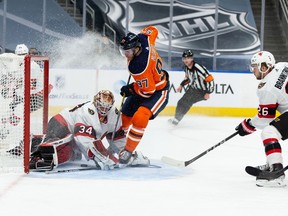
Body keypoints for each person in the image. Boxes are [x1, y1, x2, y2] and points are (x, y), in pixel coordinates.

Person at [29, 90, 150, 171]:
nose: (103, 110)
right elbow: (82, 139)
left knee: (71, 156)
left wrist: (126, 154)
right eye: (101, 106)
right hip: (62, 123)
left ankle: (36, 143)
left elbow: (117, 139)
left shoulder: (115, 115)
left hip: (73, 134)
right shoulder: (87, 111)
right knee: (57, 150)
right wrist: (99, 157)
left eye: (106, 107)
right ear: (95, 103)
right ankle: (34, 151)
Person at [118, 26, 170, 166]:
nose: (125, 55)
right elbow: (153, 30)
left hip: (159, 91)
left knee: (140, 117)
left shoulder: (138, 66)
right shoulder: (145, 38)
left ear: (136, 49)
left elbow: (148, 91)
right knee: (123, 118)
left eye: (128, 52)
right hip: (148, 84)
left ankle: (128, 151)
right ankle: (117, 144)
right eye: (123, 51)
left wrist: (130, 88)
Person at [235, 51, 288, 187]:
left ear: (264, 67)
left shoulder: (266, 88)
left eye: (255, 66)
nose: (253, 70)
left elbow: (264, 119)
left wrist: (247, 125)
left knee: (269, 132)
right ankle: (272, 163)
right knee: (273, 128)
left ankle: (277, 171)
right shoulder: (282, 66)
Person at [168, 49, 214, 126]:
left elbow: (210, 78)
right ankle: (176, 118)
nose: (186, 60)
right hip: (193, 89)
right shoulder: (186, 67)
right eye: (184, 58)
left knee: (187, 103)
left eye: (188, 58)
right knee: (181, 102)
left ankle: (176, 120)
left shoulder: (198, 67)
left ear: (192, 59)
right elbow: (188, 79)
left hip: (202, 91)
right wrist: (181, 85)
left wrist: (208, 92)